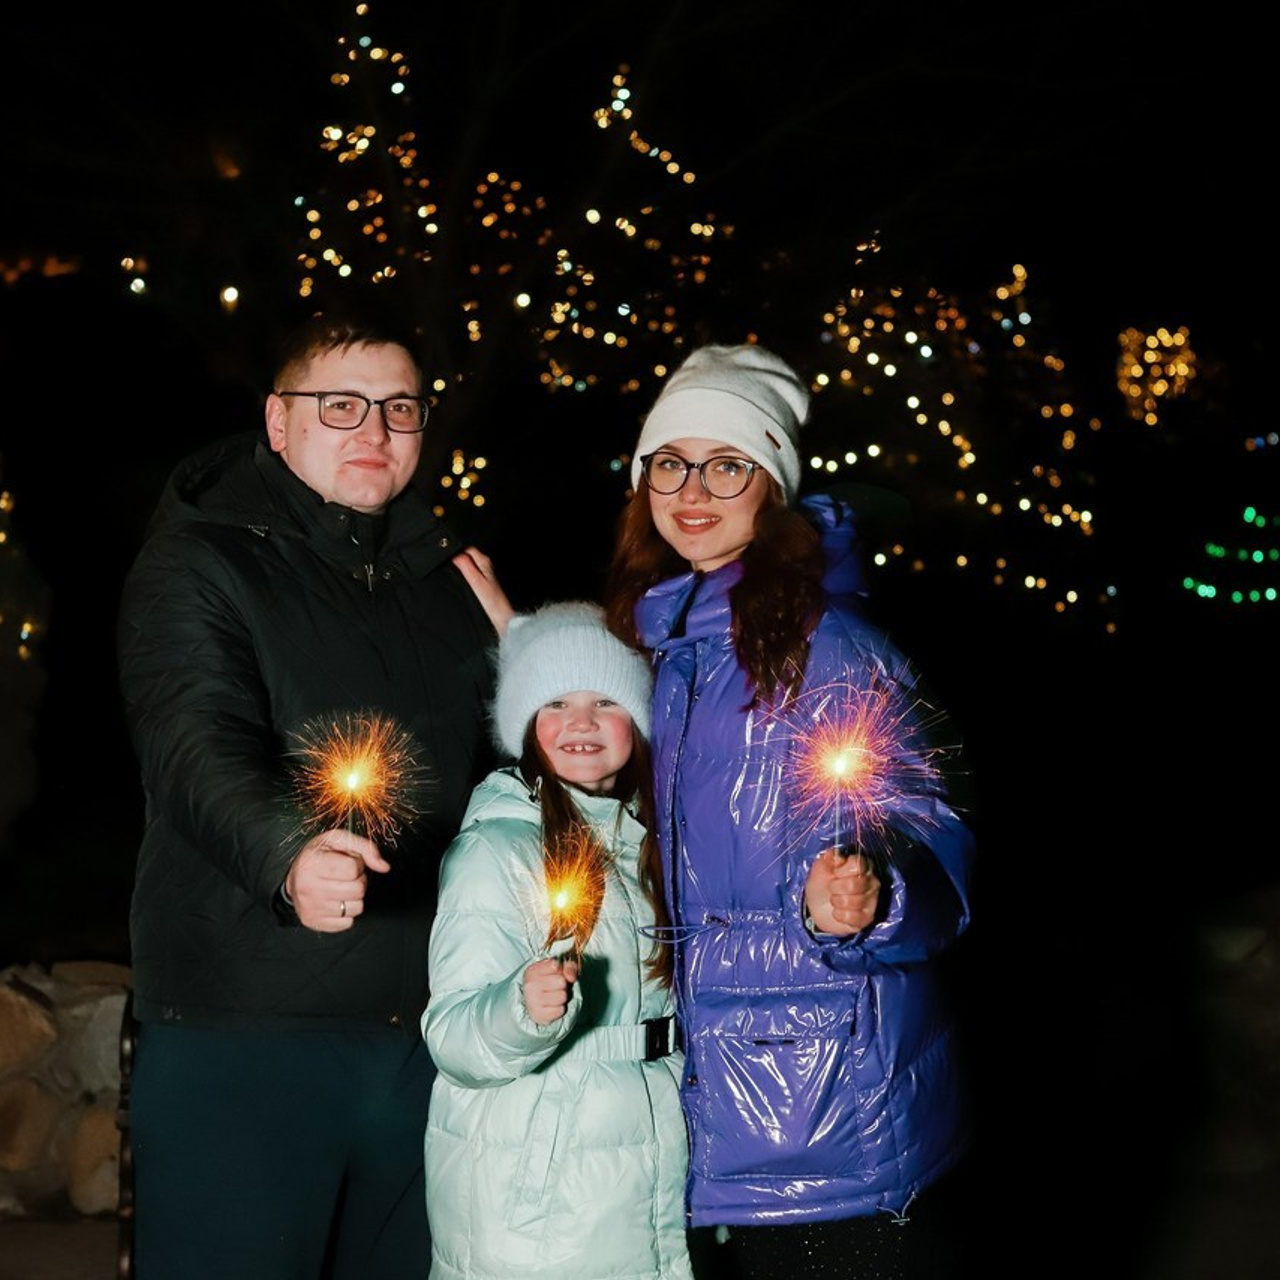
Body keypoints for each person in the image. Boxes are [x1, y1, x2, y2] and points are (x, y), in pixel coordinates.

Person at [116, 309, 510, 1279]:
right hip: (246, 1028)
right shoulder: (201, 559)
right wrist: (287, 851)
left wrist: (527, 659)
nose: (374, 431)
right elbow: (191, 738)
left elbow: (527, 768)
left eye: (399, 408)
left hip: (422, 1033)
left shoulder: (448, 578)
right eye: (341, 405)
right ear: (278, 421)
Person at [604, 344, 978, 1279]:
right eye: (670, 461)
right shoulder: (641, 644)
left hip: (830, 1131)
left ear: (771, 484)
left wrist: (873, 897)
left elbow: (940, 846)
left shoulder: (835, 648)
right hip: (686, 1130)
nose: (693, 488)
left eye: (728, 463)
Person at [423, 601, 692, 1280]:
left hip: (647, 1173)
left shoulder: (650, 844)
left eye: (606, 699)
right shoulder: (497, 850)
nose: (580, 722)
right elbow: (454, 1034)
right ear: (524, 725)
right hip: (536, 1199)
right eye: (556, 702)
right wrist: (519, 1010)